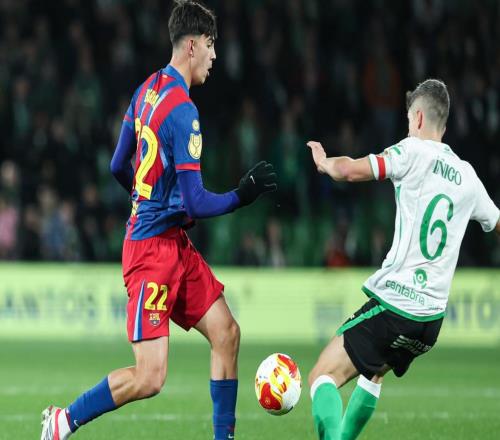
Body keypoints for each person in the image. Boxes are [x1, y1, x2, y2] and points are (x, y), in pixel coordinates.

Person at [40, 2, 277, 439]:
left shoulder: (146, 90)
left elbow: (117, 164)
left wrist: (143, 198)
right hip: (151, 253)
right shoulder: (184, 111)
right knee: (150, 377)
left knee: (226, 333)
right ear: (192, 45)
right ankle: (63, 421)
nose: (215, 55)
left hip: (170, 243)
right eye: (211, 45)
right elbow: (197, 202)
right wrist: (242, 196)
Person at [306, 79, 499, 440]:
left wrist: (325, 163)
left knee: (321, 377)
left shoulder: (412, 151)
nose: (409, 126)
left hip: (399, 304)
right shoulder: (468, 176)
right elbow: (497, 222)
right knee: (374, 372)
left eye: (410, 119)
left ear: (419, 118)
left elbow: (351, 170)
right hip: (431, 321)